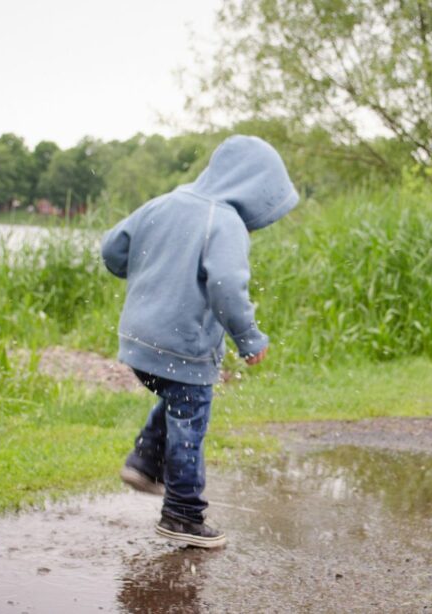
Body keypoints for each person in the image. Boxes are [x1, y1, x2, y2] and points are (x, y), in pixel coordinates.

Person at [100, 135, 299, 548]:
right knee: (190, 418)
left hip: (138, 341)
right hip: (184, 345)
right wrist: (249, 338)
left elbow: (112, 248)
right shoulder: (222, 220)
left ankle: (145, 461)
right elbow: (226, 286)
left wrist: (147, 275)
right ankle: (182, 514)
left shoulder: (164, 202)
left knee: (178, 399)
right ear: (252, 186)